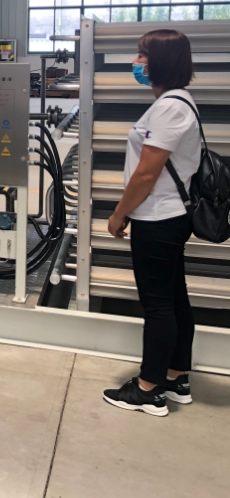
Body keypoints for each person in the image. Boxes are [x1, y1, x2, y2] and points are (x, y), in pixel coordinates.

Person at [103, 29, 200, 417]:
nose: (137, 62)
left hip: (158, 218)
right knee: (174, 298)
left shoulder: (170, 107)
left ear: (162, 61)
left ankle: (148, 390)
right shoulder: (173, 102)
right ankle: (176, 378)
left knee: (158, 305)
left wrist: (119, 213)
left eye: (143, 56)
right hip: (167, 216)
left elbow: (146, 173)